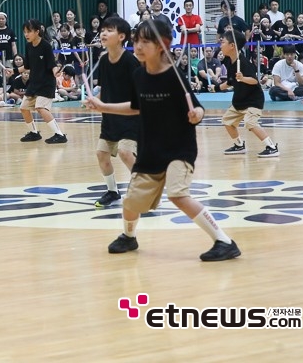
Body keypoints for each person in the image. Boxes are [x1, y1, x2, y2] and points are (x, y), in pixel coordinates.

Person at [85, 18, 241, 262]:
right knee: (130, 202)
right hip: (150, 150)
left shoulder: (174, 76)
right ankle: (129, 236)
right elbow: (136, 107)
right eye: (137, 41)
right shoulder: (139, 75)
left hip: (179, 148)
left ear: (161, 45)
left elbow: (198, 109)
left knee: (178, 195)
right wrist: (103, 106)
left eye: (145, 41)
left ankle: (224, 241)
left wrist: (195, 115)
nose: (138, 46)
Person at [89, 17, 139, 208]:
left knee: (126, 153)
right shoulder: (103, 60)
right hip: (109, 119)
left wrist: (104, 106)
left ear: (121, 37)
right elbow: (104, 88)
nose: (103, 33)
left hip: (130, 118)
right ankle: (112, 191)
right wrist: (95, 102)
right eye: (103, 30)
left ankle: (144, 191)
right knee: (102, 154)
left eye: (109, 30)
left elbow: (138, 99)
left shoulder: (130, 62)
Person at [217, 30, 278, 158]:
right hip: (239, 101)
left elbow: (254, 81)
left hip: (253, 100)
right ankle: (239, 145)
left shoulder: (243, 62)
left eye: (222, 42)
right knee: (227, 121)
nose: (220, 45)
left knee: (250, 123)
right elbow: (230, 81)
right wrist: (216, 88)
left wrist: (243, 78)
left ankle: (272, 147)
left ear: (232, 46)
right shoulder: (229, 61)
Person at [19, 19, 66, 144]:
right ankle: (34, 133)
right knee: (23, 108)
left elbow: (52, 64)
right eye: (24, 32)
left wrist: (56, 71)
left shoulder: (45, 46)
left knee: (40, 108)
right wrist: (13, 71)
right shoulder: (28, 46)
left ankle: (60, 135)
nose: (26, 35)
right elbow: (27, 65)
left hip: (46, 83)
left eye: (29, 31)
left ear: (37, 31)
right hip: (34, 83)